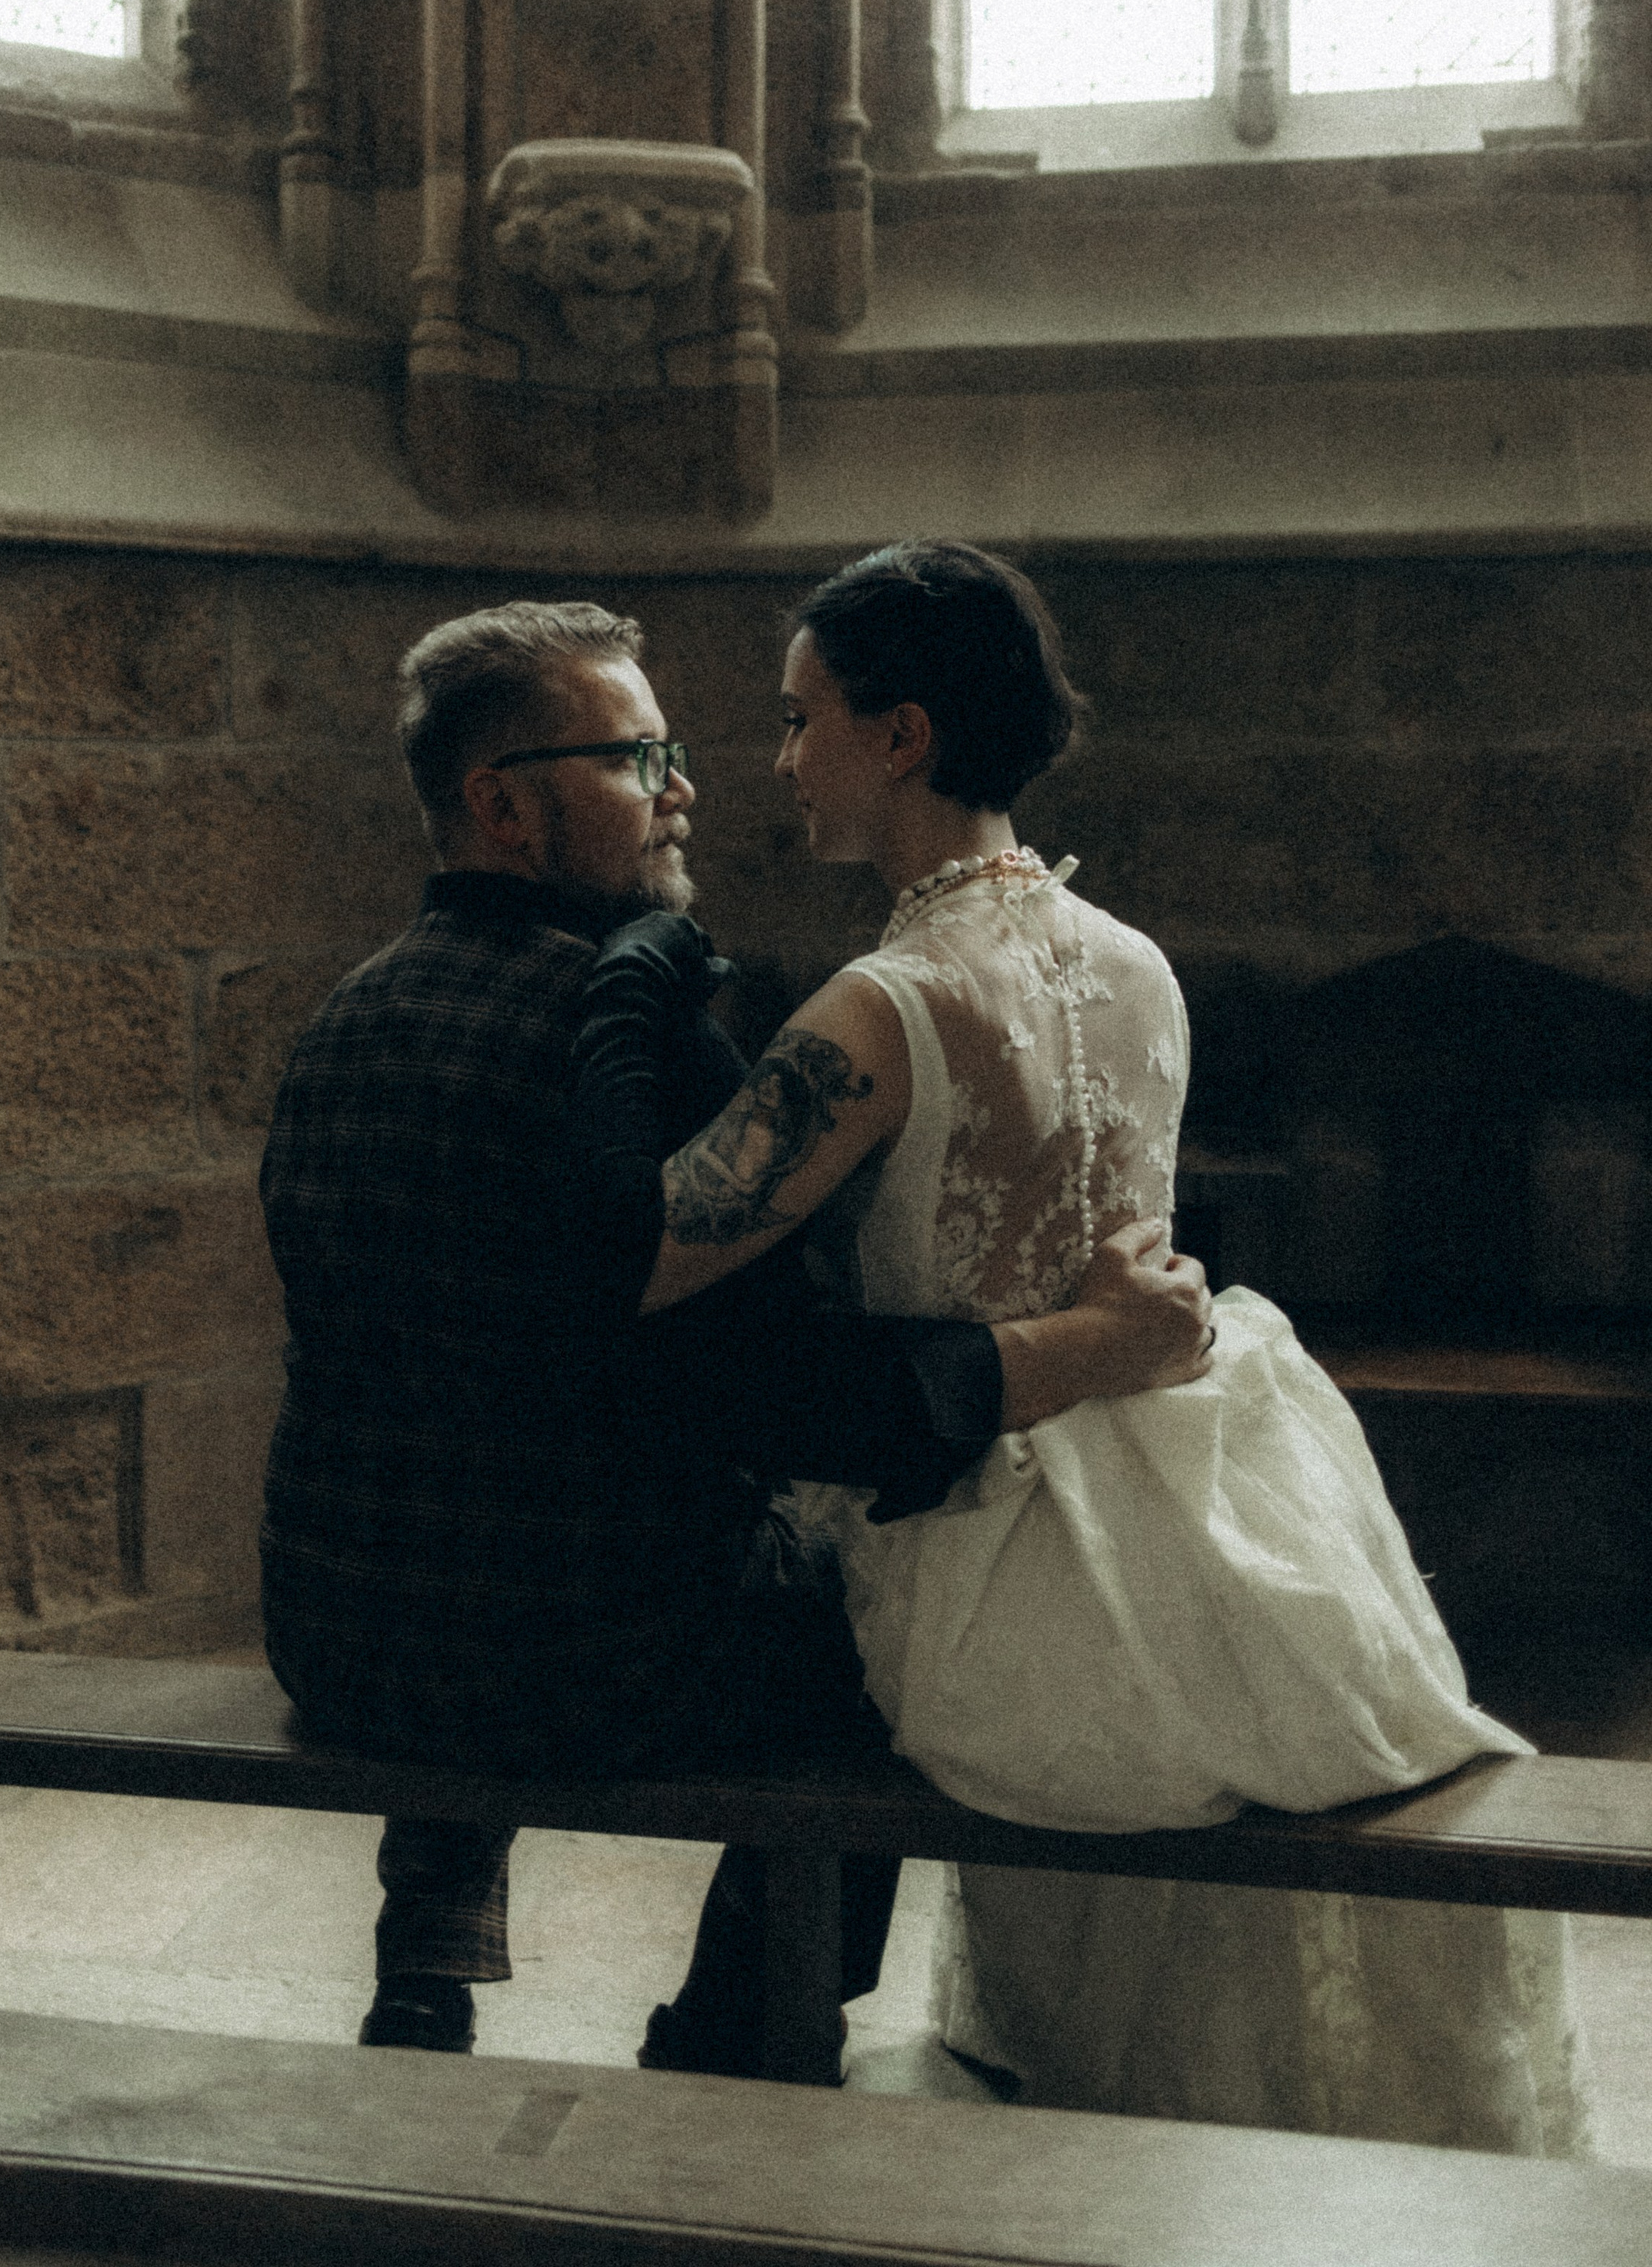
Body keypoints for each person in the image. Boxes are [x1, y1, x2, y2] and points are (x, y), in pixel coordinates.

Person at [593, 541, 1590, 2153]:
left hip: (989, 1540)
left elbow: (635, 1257)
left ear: (899, 733)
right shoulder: (1134, 963)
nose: (777, 759)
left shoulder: (880, 1004)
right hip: (1188, 1494)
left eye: (797, 718)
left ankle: (728, 2093)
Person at [258, 597, 1214, 2072]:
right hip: (598, 1664)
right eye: (637, 758)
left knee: (477, 1459)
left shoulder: (341, 1021)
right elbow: (791, 1395)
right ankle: (741, 2040)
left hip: (337, 1630)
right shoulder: (630, 1042)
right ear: (503, 804)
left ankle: (430, 1958)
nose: (687, 785)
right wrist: (1085, 1347)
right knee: (893, 1626)